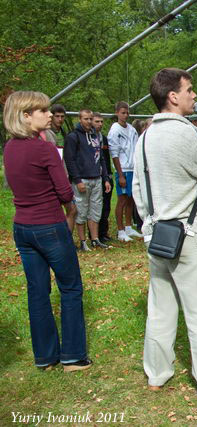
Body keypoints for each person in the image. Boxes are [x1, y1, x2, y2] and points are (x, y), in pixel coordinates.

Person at [132, 67, 197, 398]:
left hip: (157, 233)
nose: (194, 96)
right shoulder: (186, 134)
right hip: (189, 235)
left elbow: (138, 188)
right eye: (189, 90)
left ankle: (156, 373)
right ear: (173, 96)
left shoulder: (145, 135)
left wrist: (150, 223)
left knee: (160, 309)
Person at [3, 91, 91, 372]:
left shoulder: (9, 148)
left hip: (23, 228)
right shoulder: (44, 149)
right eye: (43, 110)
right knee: (70, 287)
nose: (49, 114)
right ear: (25, 115)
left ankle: (45, 357)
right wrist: (71, 210)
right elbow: (64, 190)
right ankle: (73, 356)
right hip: (49, 226)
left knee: (38, 292)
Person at [63, 110, 111, 251]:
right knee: (81, 211)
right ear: (80, 119)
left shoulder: (95, 136)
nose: (89, 121)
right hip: (82, 179)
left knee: (95, 211)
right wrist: (77, 180)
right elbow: (70, 160)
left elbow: (101, 157)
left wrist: (105, 178)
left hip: (96, 178)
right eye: (86, 119)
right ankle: (82, 241)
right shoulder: (73, 137)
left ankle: (95, 239)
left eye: (91, 119)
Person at [108, 101, 143, 242]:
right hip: (123, 169)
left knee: (131, 199)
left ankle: (129, 227)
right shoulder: (114, 130)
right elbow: (114, 153)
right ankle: (120, 230)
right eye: (123, 112)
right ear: (117, 113)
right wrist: (120, 174)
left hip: (133, 168)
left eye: (127, 112)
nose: (125, 115)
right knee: (122, 200)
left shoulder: (132, 129)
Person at [93, 113, 114, 243]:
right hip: (94, 176)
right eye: (97, 121)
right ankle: (95, 234)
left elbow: (106, 158)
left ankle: (104, 232)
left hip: (106, 176)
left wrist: (108, 175)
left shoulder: (104, 139)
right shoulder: (88, 139)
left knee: (106, 206)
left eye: (101, 121)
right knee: (96, 206)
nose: (100, 124)